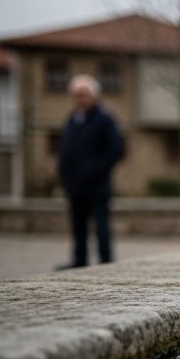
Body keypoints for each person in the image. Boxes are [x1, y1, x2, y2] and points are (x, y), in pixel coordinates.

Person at [56, 74, 125, 269]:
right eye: (75, 95)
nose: (78, 99)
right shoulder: (72, 119)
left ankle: (105, 262)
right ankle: (80, 260)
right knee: (78, 225)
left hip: (97, 184)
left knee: (101, 224)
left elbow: (116, 150)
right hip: (75, 184)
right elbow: (66, 149)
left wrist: (93, 170)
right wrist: (64, 174)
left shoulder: (105, 119)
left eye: (82, 94)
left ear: (93, 96)